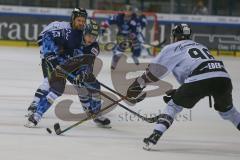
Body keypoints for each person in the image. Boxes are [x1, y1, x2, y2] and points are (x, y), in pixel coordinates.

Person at [126, 24, 240, 149]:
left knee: (174, 106)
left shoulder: (173, 47)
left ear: (175, 36)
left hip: (200, 78)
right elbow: (201, 75)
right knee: (229, 112)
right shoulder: (201, 46)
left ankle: (154, 136)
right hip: (223, 78)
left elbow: (154, 71)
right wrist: (181, 90)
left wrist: (138, 85)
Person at [25, 20, 111, 127]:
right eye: (89, 35)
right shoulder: (71, 35)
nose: (91, 39)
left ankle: (96, 115)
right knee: (56, 89)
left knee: (94, 86)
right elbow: (48, 36)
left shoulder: (94, 48)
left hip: (76, 68)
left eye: (94, 37)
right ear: (84, 32)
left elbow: (87, 64)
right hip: (61, 64)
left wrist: (82, 74)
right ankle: (36, 116)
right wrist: (51, 55)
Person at [26, 8, 88, 117]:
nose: (81, 23)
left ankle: (89, 108)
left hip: (65, 60)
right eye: (79, 20)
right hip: (50, 56)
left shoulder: (82, 33)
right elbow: (42, 38)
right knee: (48, 80)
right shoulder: (59, 27)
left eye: (83, 21)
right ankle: (35, 104)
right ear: (73, 19)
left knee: (79, 85)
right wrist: (50, 55)